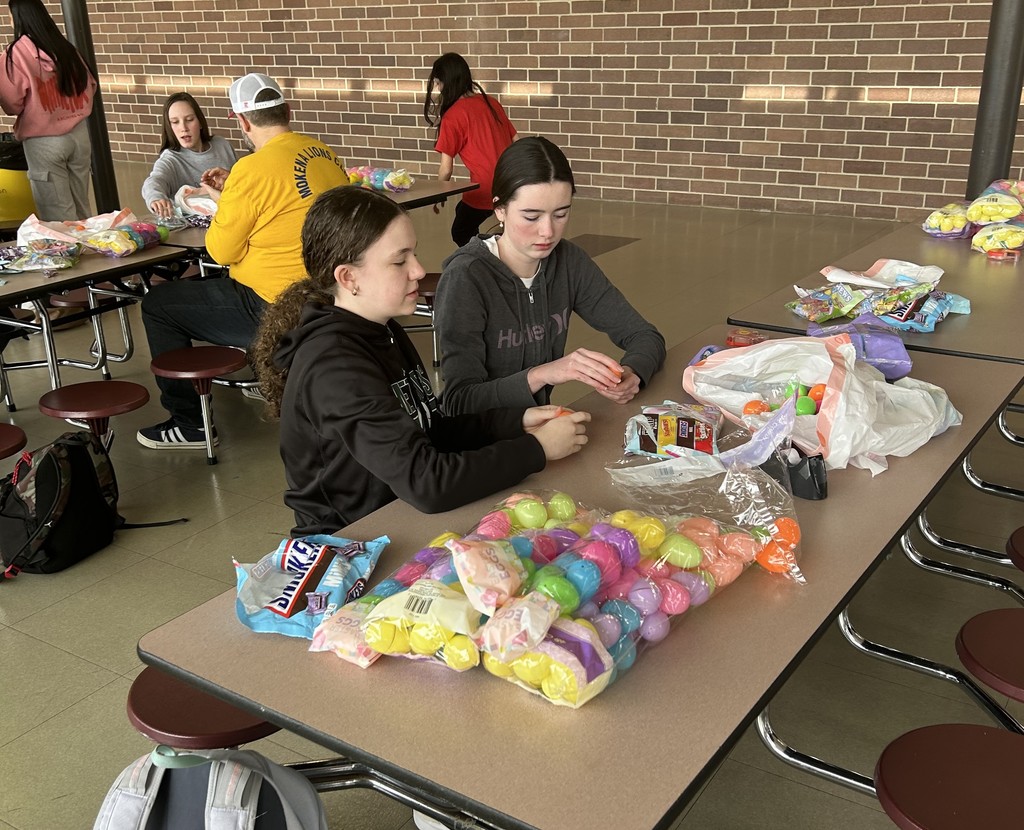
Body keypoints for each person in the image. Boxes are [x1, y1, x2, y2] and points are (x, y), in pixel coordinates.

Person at [250, 185, 590, 537]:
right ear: (348, 277)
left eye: (413, 254)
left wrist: (515, 423)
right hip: (353, 542)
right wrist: (536, 449)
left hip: (400, 516)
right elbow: (427, 483)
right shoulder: (335, 366)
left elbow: (430, 430)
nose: (417, 270)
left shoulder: (384, 328)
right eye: (399, 261)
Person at [137, 72, 347, 451]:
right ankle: (259, 374)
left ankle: (190, 424)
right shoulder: (324, 153)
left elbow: (220, 252)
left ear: (243, 121)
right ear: (287, 110)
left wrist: (222, 197)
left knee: (158, 304)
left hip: (274, 304)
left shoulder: (251, 170)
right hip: (331, 294)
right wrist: (228, 195)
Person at [435, 136, 666, 415]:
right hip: (483, 445)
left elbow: (644, 335)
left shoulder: (569, 261)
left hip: (541, 430)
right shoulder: (467, 277)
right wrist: (545, 373)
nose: (548, 232)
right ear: (499, 209)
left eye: (561, 214)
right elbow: (460, 402)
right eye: (531, 217)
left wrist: (633, 373)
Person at [0, 0, 96, 220]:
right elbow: (90, 84)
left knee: (58, 214)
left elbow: (11, 103)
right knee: (82, 208)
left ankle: (71, 254)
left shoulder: (16, 54)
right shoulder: (65, 47)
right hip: (79, 135)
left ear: (16, 16)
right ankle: (91, 251)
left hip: (44, 141)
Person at [423, 52, 517, 247]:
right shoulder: (492, 103)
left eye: (439, 83)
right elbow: (516, 141)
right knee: (464, 216)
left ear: (446, 83)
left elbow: (446, 169)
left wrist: (438, 193)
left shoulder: (453, 115)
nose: (438, 88)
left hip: (485, 188)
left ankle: (487, 258)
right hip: (510, 180)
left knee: (460, 231)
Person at [141, 92, 237, 218]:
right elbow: (154, 181)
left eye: (189, 120)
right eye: (175, 122)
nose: (183, 127)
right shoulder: (170, 159)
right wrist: (156, 198)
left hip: (233, 218)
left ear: (200, 122)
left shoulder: (222, 145)